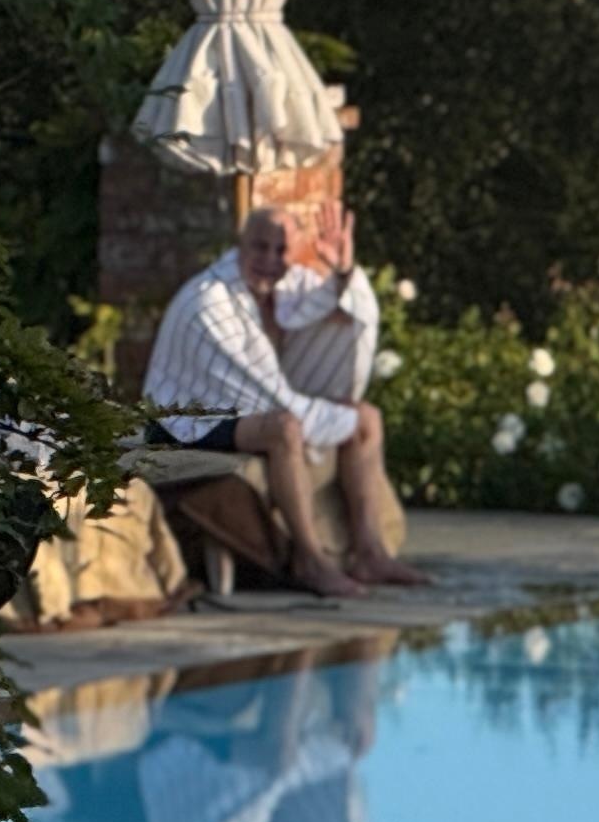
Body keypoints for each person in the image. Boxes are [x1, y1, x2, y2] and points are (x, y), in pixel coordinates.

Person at [144, 201, 427, 598]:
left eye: (281, 251)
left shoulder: (283, 284)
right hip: (184, 420)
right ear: (241, 245)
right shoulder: (211, 303)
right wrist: (333, 420)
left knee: (367, 416)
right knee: (284, 430)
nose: (270, 261)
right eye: (260, 248)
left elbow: (343, 309)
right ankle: (309, 560)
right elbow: (266, 397)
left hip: (236, 408)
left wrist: (344, 271)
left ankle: (369, 551)